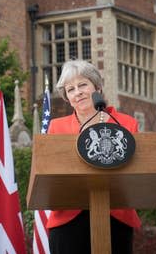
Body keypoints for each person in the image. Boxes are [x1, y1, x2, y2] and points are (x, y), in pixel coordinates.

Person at [47, 59, 140, 254]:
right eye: (70, 89)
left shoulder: (126, 124)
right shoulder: (57, 127)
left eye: (82, 85)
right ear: (67, 97)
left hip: (115, 216)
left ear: (96, 87)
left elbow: (137, 168)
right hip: (68, 219)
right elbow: (50, 172)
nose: (77, 92)